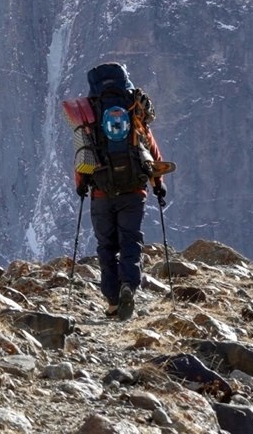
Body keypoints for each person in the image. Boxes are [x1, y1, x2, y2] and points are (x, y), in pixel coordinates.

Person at [71, 61, 167, 320]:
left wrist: (81, 185)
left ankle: (113, 302)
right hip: (134, 191)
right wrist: (159, 185)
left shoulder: (90, 113)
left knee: (106, 246)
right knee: (130, 241)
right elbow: (150, 147)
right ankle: (129, 287)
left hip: (102, 192)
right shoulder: (134, 109)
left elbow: (83, 152)